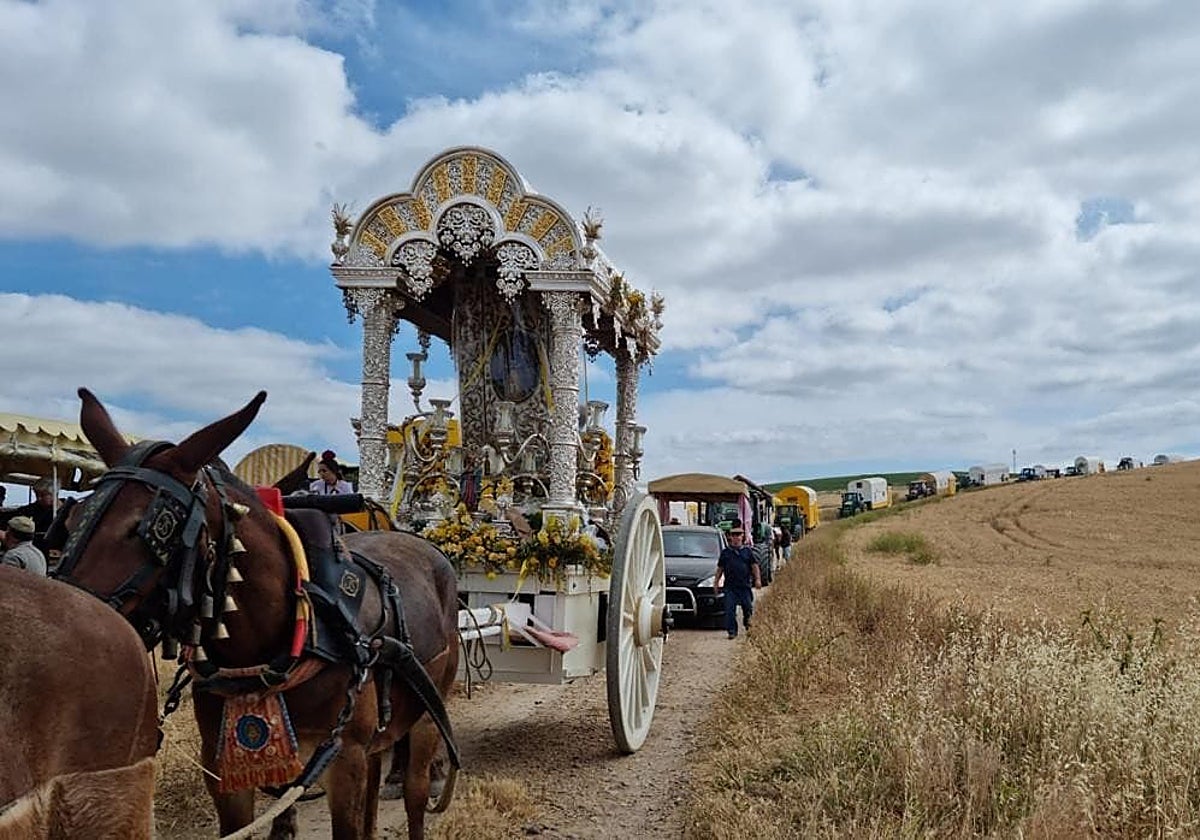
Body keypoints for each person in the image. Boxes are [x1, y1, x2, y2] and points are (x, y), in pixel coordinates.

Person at [713, 519, 761, 640]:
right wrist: (716, 583)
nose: (736, 537)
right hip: (730, 587)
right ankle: (732, 631)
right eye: (734, 535)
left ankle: (748, 625)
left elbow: (754, 566)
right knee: (729, 610)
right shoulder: (725, 553)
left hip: (744, 586)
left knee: (748, 608)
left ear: (742, 536)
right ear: (730, 537)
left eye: (738, 535)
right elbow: (720, 569)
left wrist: (757, 580)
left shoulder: (747, 552)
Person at [0, 478, 58, 551]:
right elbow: (12, 516)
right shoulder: (32, 509)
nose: (39, 498)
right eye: (37, 495)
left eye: (43, 495)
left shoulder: (64, 512)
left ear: (54, 494)